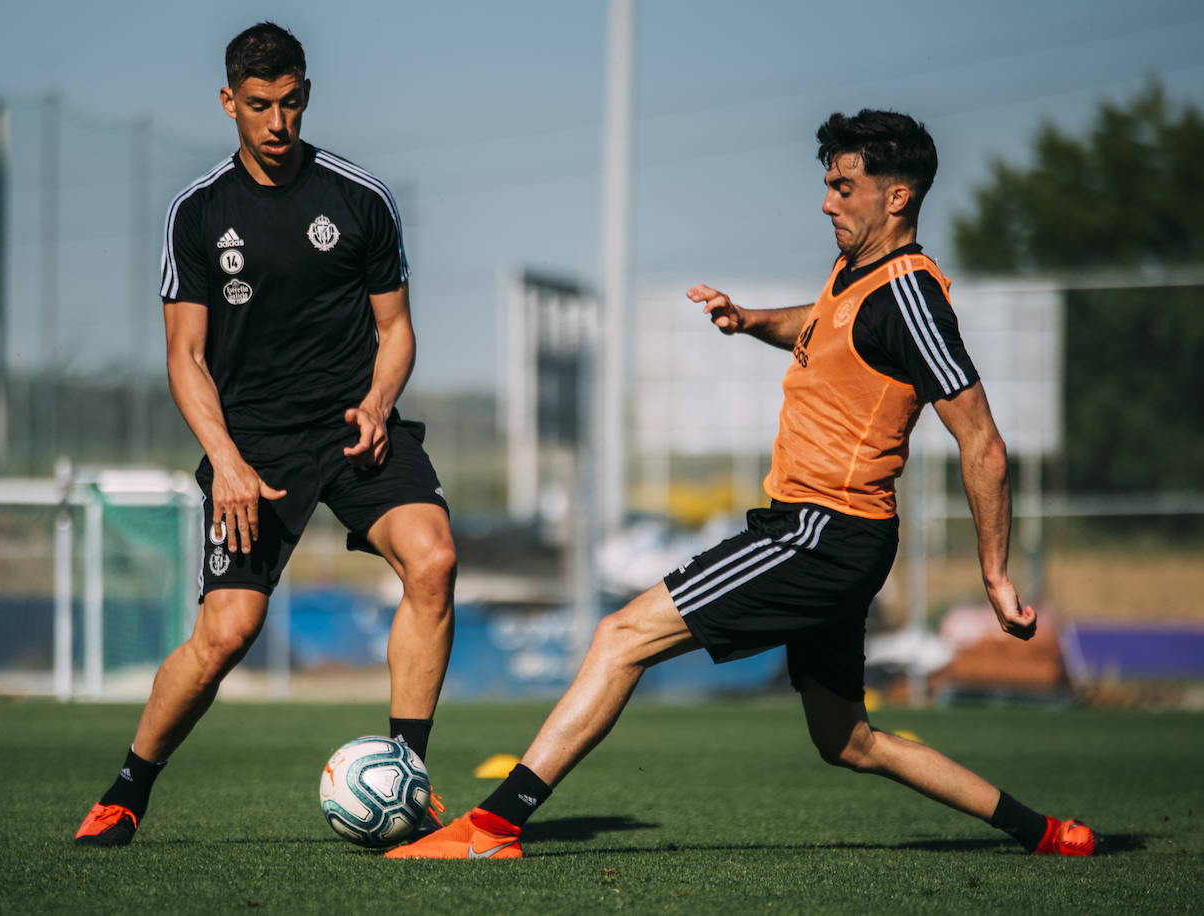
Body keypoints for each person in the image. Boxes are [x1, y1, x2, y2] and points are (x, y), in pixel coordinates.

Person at [387, 109, 1096, 860]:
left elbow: (982, 443)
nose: (827, 201)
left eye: (843, 185)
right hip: (830, 533)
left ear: (897, 197)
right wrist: (755, 319)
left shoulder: (912, 298)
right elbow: (824, 325)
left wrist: (993, 571)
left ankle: (494, 827)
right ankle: (1046, 832)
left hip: (823, 532)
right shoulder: (857, 279)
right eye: (827, 184)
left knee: (621, 635)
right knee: (848, 740)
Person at [75, 21, 456, 847]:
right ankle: (126, 790)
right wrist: (227, 462)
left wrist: (380, 401)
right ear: (228, 104)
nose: (276, 123)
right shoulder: (199, 212)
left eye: (289, 103)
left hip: (355, 431)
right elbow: (184, 357)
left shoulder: (360, 198)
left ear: (307, 95)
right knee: (227, 634)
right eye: (258, 106)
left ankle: (408, 780)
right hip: (251, 447)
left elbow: (397, 330)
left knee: (434, 560)